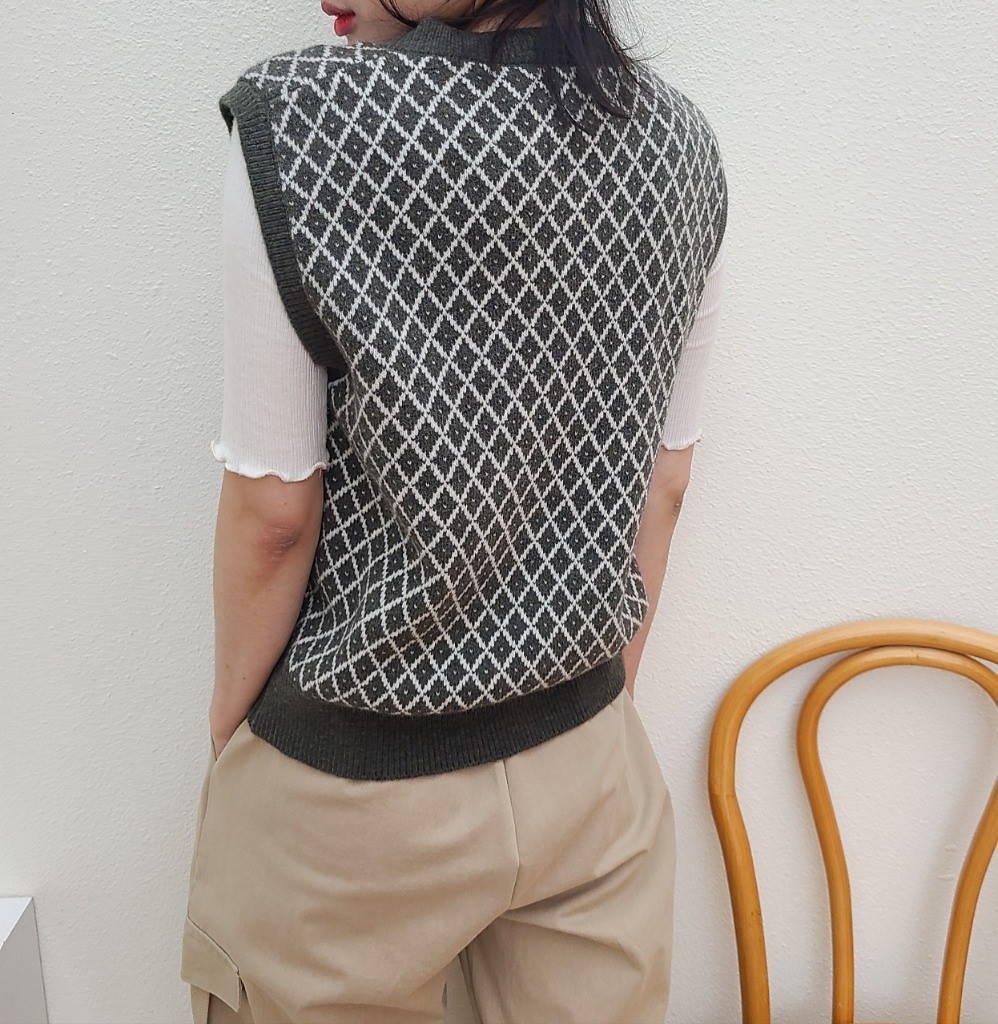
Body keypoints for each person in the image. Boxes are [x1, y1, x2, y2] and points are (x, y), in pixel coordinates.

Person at [180, 0, 728, 1021]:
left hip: (351, 784)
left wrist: (234, 744)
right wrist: (592, 705)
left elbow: (272, 520)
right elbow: (665, 483)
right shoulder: (679, 140)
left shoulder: (303, 117)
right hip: (590, 769)